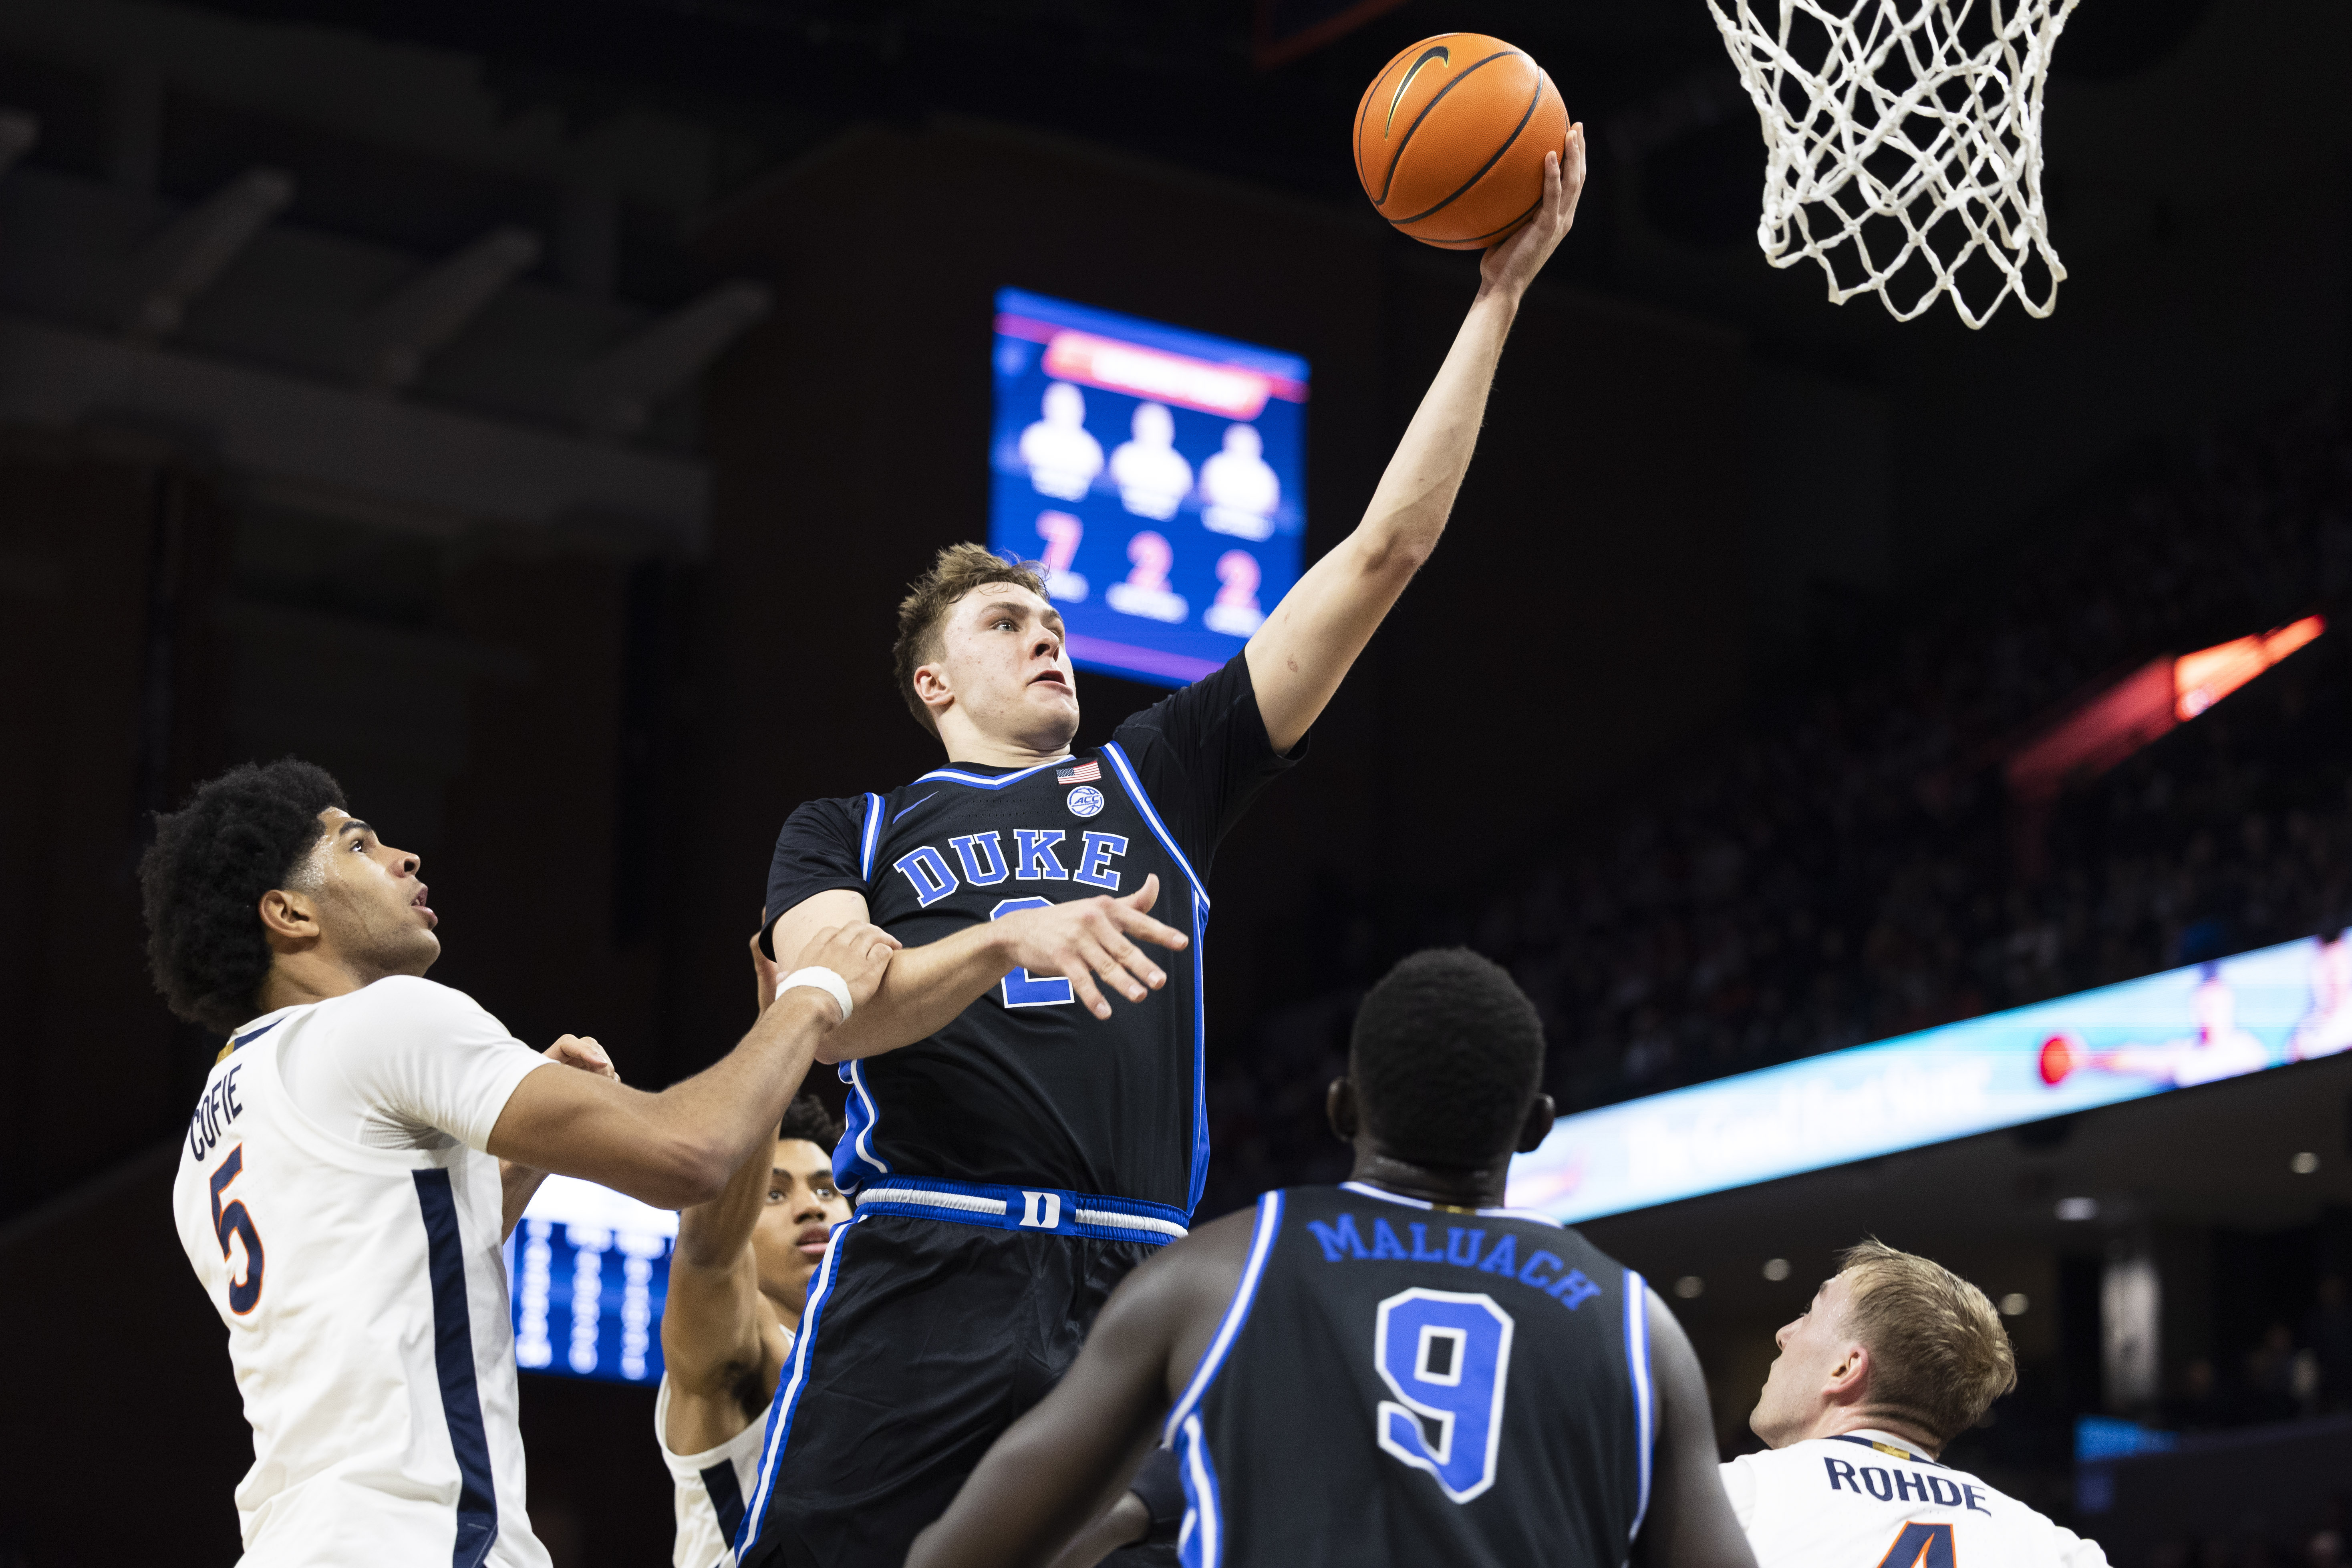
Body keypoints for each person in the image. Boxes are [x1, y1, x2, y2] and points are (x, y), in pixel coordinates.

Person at [739, 132, 1591, 1568]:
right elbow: (828, 1011)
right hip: (926, 1260)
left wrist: (1494, 298)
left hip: (1136, 1279)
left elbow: (1379, 552)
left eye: (1052, 619)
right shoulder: (851, 827)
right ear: (933, 683)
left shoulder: (1153, 776)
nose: (1046, 633)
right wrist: (1006, 936)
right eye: (1006, 624)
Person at [145, 758, 895, 1567]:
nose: (405, 857)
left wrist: (520, 1165)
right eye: (360, 846)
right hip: (416, 1539)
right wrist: (813, 996)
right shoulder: (385, 1017)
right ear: (289, 914)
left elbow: (406, 1270)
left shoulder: (211, 1135)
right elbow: (692, 1156)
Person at [906, 948, 1755, 1568]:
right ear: (1534, 1126)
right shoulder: (1633, 1323)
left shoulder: (1217, 1272)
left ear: (1341, 1108)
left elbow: (961, 1556)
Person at [1727, 1241, 2109, 1567]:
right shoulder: (2052, 1548)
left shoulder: (1739, 1495)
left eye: (1808, 1313)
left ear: (1846, 1368)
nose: (1783, 1334)